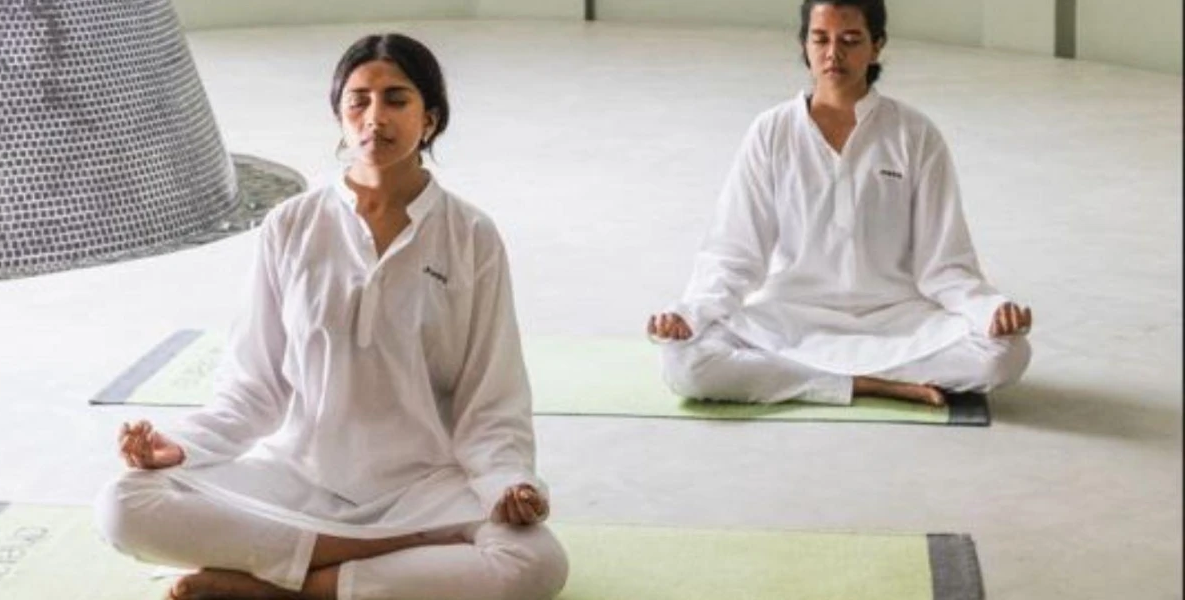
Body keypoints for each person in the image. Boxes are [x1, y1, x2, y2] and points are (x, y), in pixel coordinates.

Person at [95, 33, 568, 600]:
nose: (375, 117)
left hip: (422, 488)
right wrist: (182, 448)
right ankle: (367, 558)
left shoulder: (471, 236)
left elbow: (491, 396)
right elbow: (254, 385)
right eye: (358, 101)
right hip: (299, 478)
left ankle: (281, 588)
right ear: (339, 115)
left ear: (431, 119)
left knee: (535, 562)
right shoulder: (291, 225)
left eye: (396, 99)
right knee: (124, 504)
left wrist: (507, 482)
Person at [648, 0, 1032, 407]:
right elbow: (734, 254)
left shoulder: (914, 134)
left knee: (1006, 356)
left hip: (894, 319)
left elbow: (946, 265)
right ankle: (868, 384)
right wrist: (688, 315)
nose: (834, 54)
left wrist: (992, 310)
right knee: (684, 363)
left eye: (850, 40)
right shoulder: (772, 131)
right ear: (805, 45)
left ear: (877, 46)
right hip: (792, 316)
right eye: (821, 39)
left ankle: (811, 379)